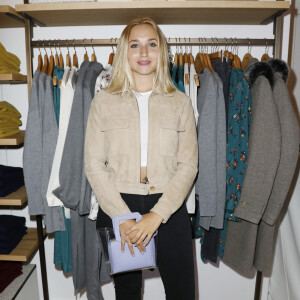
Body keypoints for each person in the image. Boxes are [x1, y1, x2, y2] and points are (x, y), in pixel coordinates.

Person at [84, 16, 198, 300]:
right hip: (120, 203)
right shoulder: (103, 101)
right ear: (125, 51)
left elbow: (188, 165)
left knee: (182, 291)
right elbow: (94, 165)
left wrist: (156, 216)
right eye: (135, 45)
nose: (144, 53)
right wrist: (122, 217)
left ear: (162, 51)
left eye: (152, 44)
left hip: (169, 205)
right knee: (128, 293)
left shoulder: (181, 102)